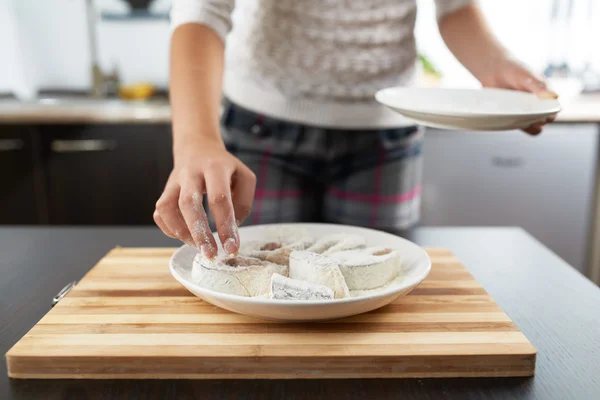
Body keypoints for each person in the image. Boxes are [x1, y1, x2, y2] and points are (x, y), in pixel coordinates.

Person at [154, 0, 557, 259]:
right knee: (255, 287)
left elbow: (455, 7)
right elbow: (202, 11)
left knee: (374, 289)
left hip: (387, 136)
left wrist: (496, 64)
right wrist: (196, 140)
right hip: (262, 129)